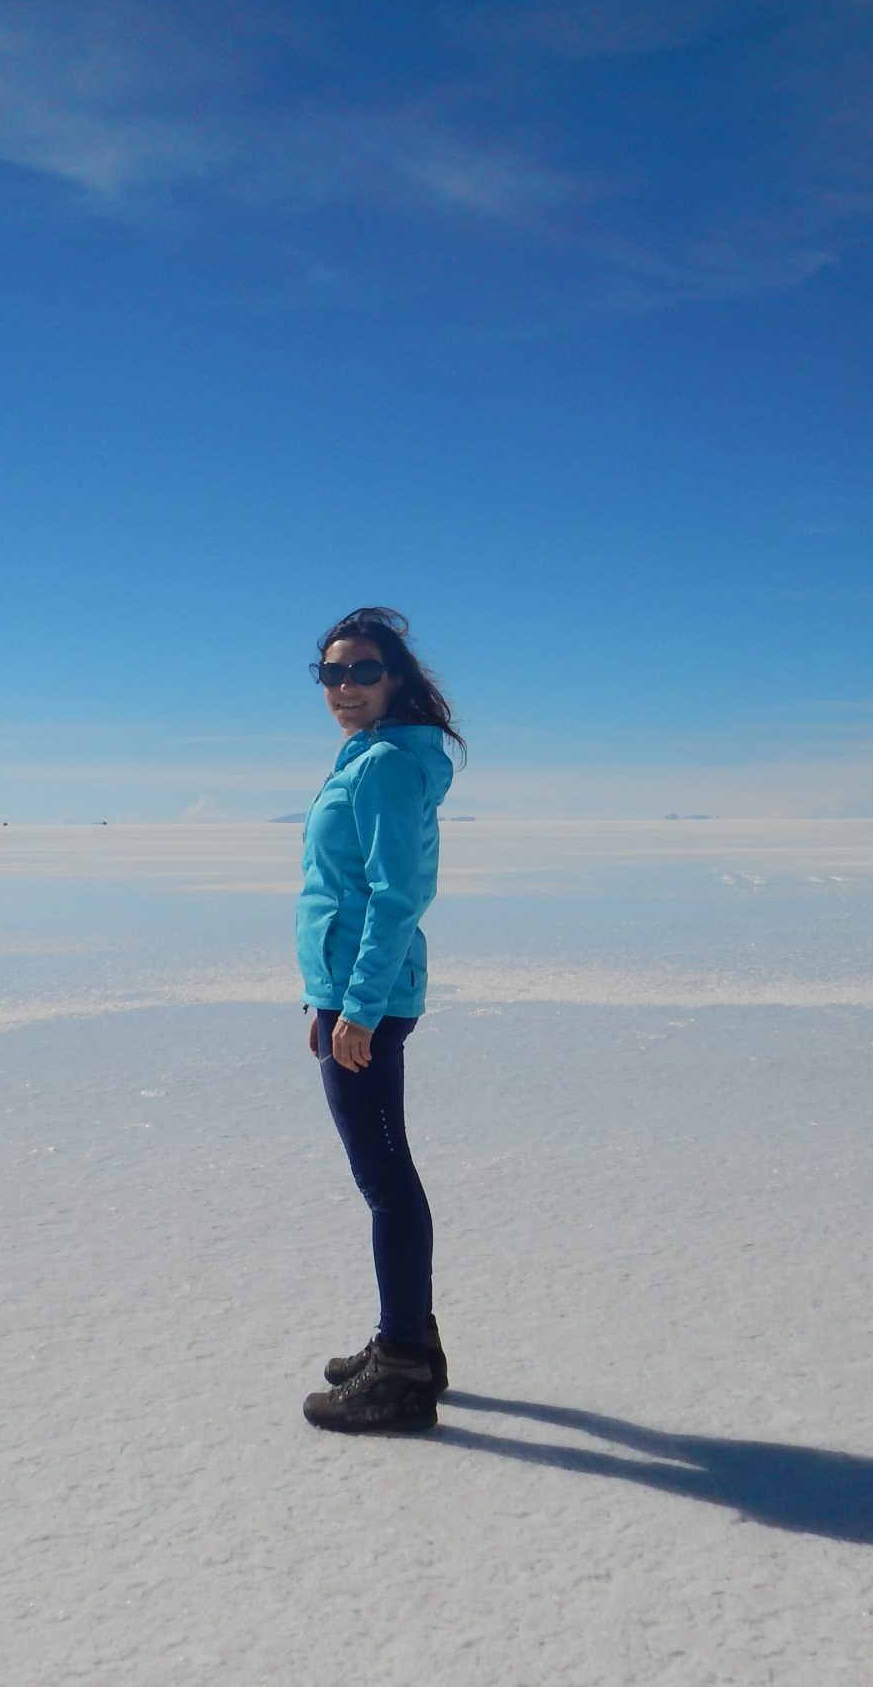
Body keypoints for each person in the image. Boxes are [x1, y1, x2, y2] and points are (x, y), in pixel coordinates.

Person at [296, 606, 463, 1435]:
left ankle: (402, 1371)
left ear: (394, 678)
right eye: (332, 673)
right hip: (351, 994)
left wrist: (356, 1010)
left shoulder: (388, 766)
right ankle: (412, 1343)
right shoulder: (365, 758)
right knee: (385, 1177)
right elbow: (344, 892)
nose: (345, 687)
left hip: (372, 999)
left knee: (385, 1182)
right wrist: (324, 998)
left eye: (363, 671)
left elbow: (397, 898)